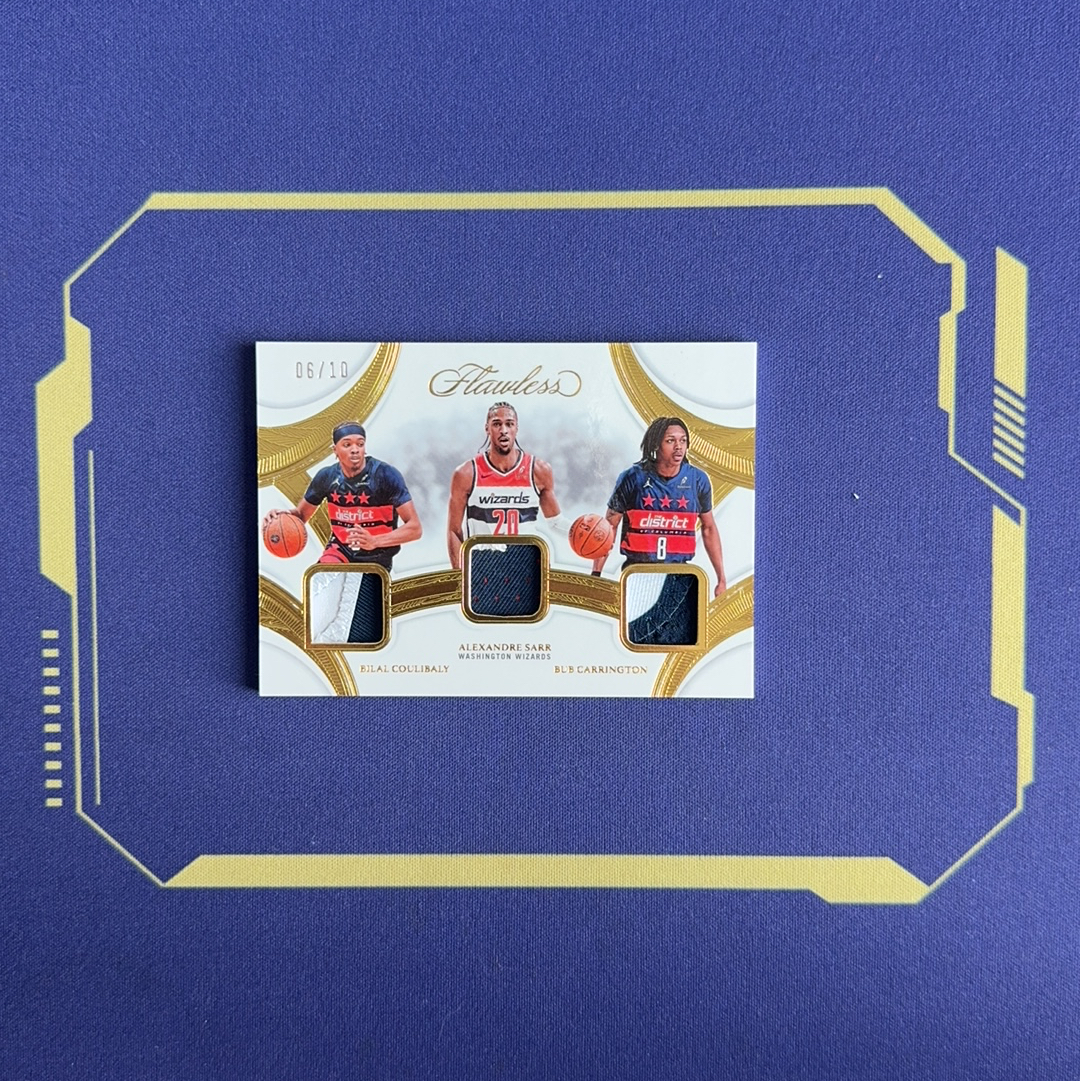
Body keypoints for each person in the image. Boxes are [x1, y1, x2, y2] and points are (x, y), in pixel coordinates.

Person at [592, 417, 727, 597]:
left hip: (680, 576)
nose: (678, 446)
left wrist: (721, 579)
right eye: (670, 441)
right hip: (637, 572)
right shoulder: (633, 478)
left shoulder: (697, 480)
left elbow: (709, 528)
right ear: (656, 445)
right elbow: (609, 527)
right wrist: (596, 574)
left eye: (683, 440)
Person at [262, 421, 422, 569]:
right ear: (335, 450)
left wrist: (374, 541)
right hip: (339, 552)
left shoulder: (386, 475)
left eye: (360, 444)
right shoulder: (326, 476)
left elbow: (415, 528)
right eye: (347, 444)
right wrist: (282, 517)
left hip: (377, 557)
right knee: (320, 582)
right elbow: (301, 515)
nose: (355, 449)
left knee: (361, 590)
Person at [446, 402, 560, 570]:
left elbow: (556, 522)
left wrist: (586, 530)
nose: (503, 430)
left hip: (525, 565)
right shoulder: (466, 473)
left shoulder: (538, 470)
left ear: (516, 428)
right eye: (497, 424)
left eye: (509, 424)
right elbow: (454, 531)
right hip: (483, 565)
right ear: (487, 428)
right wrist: (460, 576)